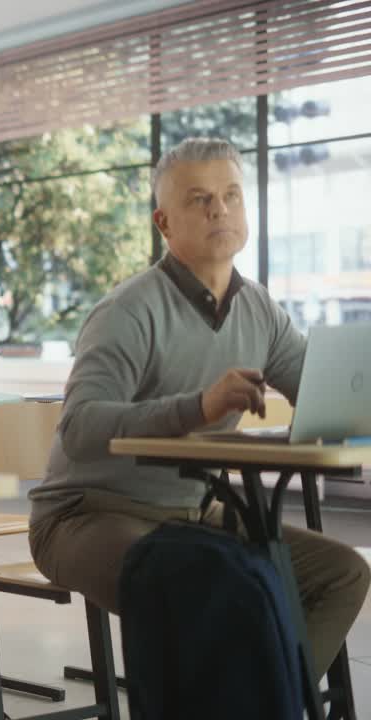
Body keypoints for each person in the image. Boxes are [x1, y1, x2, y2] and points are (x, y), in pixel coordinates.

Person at [28, 138, 370, 680]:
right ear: (164, 223)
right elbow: (79, 428)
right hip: (85, 515)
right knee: (205, 578)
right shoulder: (128, 310)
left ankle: (269, 703)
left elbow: (325, 393)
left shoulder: (260, 309)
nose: (220, 209)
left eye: (231, 195)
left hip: (196, 514)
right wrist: (199, 406)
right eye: (201, 199)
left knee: (343, 571)